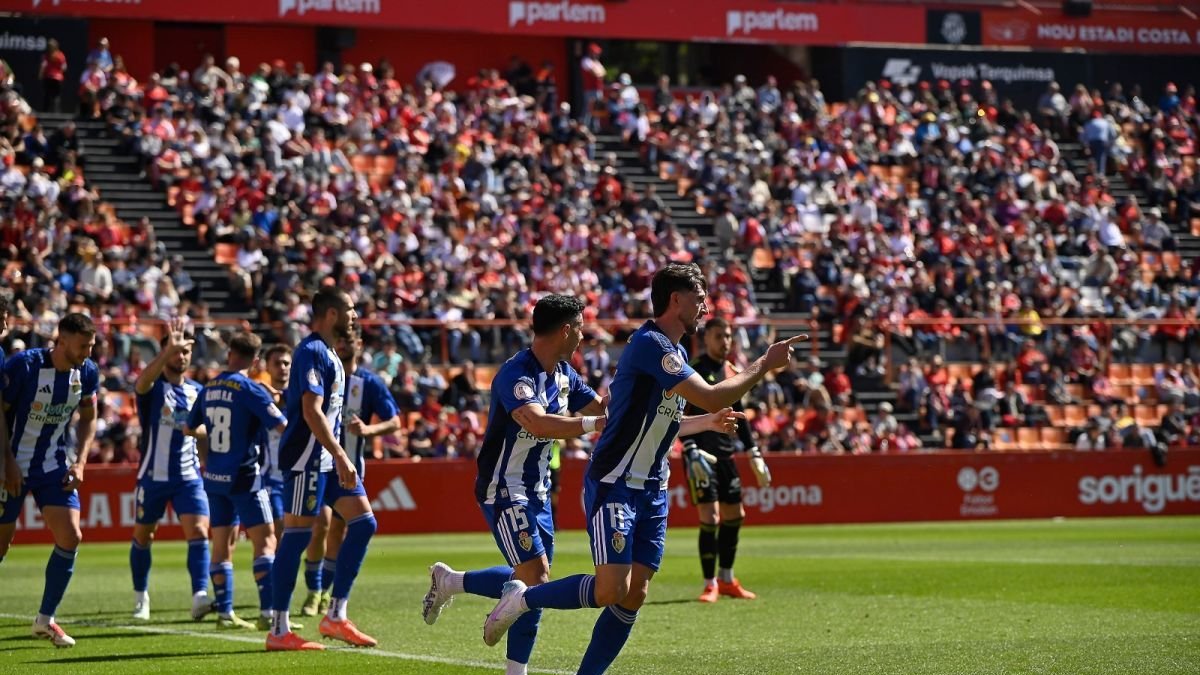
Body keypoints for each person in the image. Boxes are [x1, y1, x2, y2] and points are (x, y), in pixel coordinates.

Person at [482, 264, 807, 674]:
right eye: (699, 298)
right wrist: (764, 363)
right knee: (610, 590)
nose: (705, 307)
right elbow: (711, 395)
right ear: (676, 299)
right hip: (616, 481)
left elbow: (662, 421)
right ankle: (523, 599)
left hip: (652, 488)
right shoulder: (651, 344)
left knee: (634, 594)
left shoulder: (675, 353)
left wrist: (707, 423)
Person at [423, 295, 608, 675]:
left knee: (532, 585)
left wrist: (637, 393)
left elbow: (602, 409)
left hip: (538, 490)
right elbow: (538, 423)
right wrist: (593, 425)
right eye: (580, 329)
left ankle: (451, 581)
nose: (583, 337)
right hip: (503, 487)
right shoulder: (515, 375)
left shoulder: (564, 374)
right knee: (535, 579)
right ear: (566, 330)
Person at [269, 287, 377, 651]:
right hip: (307, 460)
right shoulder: (312, 351)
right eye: (350, 309)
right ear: (332, 314)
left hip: (327, 460)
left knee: (364, 523)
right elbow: (311, 411)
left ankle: (335, 616)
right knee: (297, 537)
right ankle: (278, 629)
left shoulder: (330, 353)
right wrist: (342, 454)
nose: (354, 315)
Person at [0, 313, 100, 648]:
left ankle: (45, 620)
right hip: (10, 464)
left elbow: (89, 416)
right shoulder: (24, 366)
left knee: (71, 536)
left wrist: (81, 462)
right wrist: (6, 461)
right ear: (63, 340)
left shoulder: (87, 372)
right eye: (83, 345)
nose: (88, 352)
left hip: (53, 466)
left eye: (91, 345)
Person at [185, 332, 288, 631]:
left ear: (229, 354)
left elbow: (189, 428)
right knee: (266, 541)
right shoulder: (251, 389)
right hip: (245, 476)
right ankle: (269, 613)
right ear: (256, 361)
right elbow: (281, 426)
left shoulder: (209, 387)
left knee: (221, 545)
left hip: (214, 477)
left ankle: (225, 613)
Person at [680, 317, 770, 603]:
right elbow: (679, 414)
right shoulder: (693, 370)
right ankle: (710, 584)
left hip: (726, 454)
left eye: (728, 336)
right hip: (700, 455)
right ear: (706, 339)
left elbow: (740, 414)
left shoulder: (731, 371)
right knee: (711, 517)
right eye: (719, 336)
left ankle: (727, 578)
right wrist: (690, 448)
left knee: (735, 516)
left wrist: (753, 451)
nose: (725, 342)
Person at [314, 326, 400, 620]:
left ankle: (322, 592)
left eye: (348, 340)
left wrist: (368, 430)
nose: (342, 344)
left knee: (339, 529)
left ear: (359, 344)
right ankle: (314, 589)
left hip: (348, 468)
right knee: (319, 526)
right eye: (338, 339)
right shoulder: (323, 377)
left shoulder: (369, 382)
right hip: (317, 463)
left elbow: (394, 422)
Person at [129, 318, 212, 622]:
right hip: (153, 475)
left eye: (186, 351)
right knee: (144, 535)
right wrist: (166, 352)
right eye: (176, 351)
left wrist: (199, 434)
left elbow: (207, 431)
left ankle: (199, 596)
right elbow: (140, 384)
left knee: (199, 531)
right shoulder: (153, 388)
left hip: (188, 476)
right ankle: (141, 596)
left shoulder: (198, 391)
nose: (181, 356)